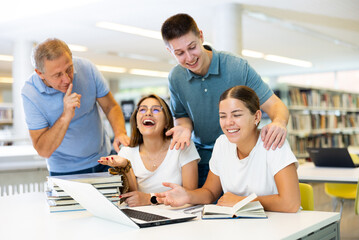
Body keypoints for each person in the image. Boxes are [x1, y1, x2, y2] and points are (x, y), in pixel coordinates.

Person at [161, 13, 289, 187]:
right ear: (170, 51)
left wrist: (279, 122)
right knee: (205, 209)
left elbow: (275, 105)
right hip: (203, 161)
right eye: (180, 53)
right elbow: (182, 116)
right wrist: (184, 129)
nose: (189, 58)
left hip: (240, 158)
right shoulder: (175, 77)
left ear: (201, 36)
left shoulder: (236, 67)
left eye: (192, 47)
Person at [156, 86, 300, 213]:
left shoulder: (273, 142)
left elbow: (290, 203)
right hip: (239, 226)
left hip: (280, 226)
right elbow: (210, 192)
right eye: (222, 116)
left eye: (237, 115)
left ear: (256, 116)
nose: (228, 123)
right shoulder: (222, 144)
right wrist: (187, 196)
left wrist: (241, 201)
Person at [21, 38, 130, 176]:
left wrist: (120, 132)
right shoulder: (30, 93)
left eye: (69, 69)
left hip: (103, 159)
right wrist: (66, 115)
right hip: (64, 171)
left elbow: (110, 106)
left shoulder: (87, 68)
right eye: (58, 75)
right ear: (40, 73)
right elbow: (43, 150)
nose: (67, 79)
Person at [98, 94, 200, 207]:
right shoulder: (126, 153)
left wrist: (150, 198)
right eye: (142, 110)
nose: (148, 113)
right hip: (142, 217)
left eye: (156, 110)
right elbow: (132, 199)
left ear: (167, 122)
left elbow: (190, 195)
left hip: (178, 215)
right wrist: (126, 166)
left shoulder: (182, 146)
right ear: (136, 123)